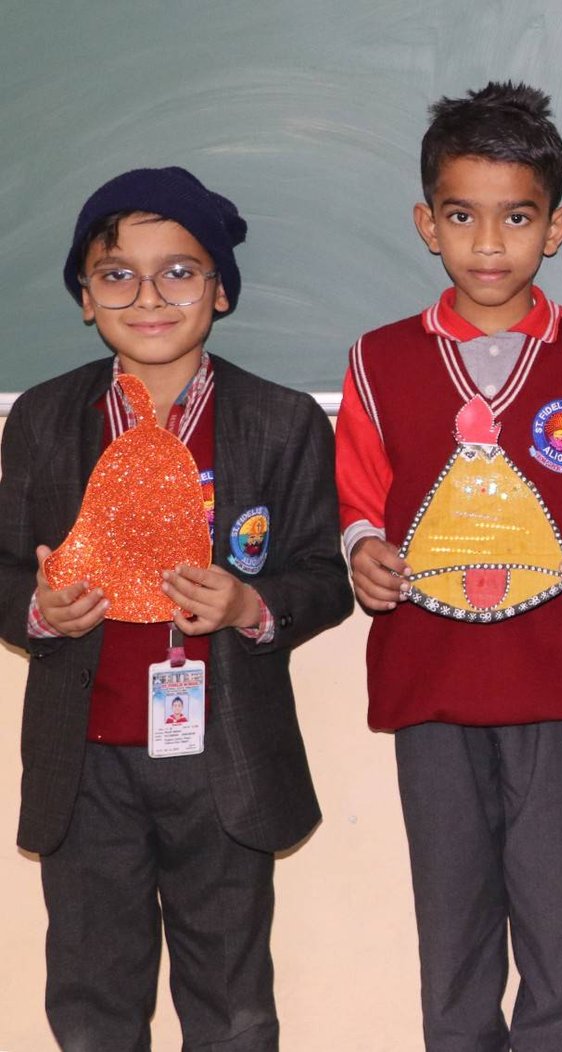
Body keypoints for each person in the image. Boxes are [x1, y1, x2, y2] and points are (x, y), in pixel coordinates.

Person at [0, 166, 351, 1049]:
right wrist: (40, 611)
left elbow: (324, 576)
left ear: (220, 290)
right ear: (86, 298)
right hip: (84, 764)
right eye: (118, 275)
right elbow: (2, 570)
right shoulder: (43, 418)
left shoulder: (281, 422)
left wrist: (249, 604)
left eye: (180, 272)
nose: (149, 297)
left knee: (233, 1004)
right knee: (92, 1000)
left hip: (223, 760)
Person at [334, 81, 562, 1050]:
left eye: (518, 217)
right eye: (462, 216)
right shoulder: (378, 361)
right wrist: (363, 554)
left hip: (559, 681)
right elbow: (359, 503)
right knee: (453, 937)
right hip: (431, 683)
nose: (489, 243)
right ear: (428, 224)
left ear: (556, 227)